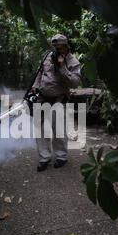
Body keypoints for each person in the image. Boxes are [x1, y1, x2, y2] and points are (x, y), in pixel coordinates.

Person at [31, 34, 82, 172]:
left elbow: (75, 83)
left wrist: (61, 67)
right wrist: (35, 86)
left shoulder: (73, 62)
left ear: (66, 46)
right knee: (40, 129)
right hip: (42, 97)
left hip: (59, 98)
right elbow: (40, 72)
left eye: (59, 47)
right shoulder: (48, 56)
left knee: (58, 129)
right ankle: (44, 158)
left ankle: (61, 157)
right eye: (54, 47)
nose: (56, 50)